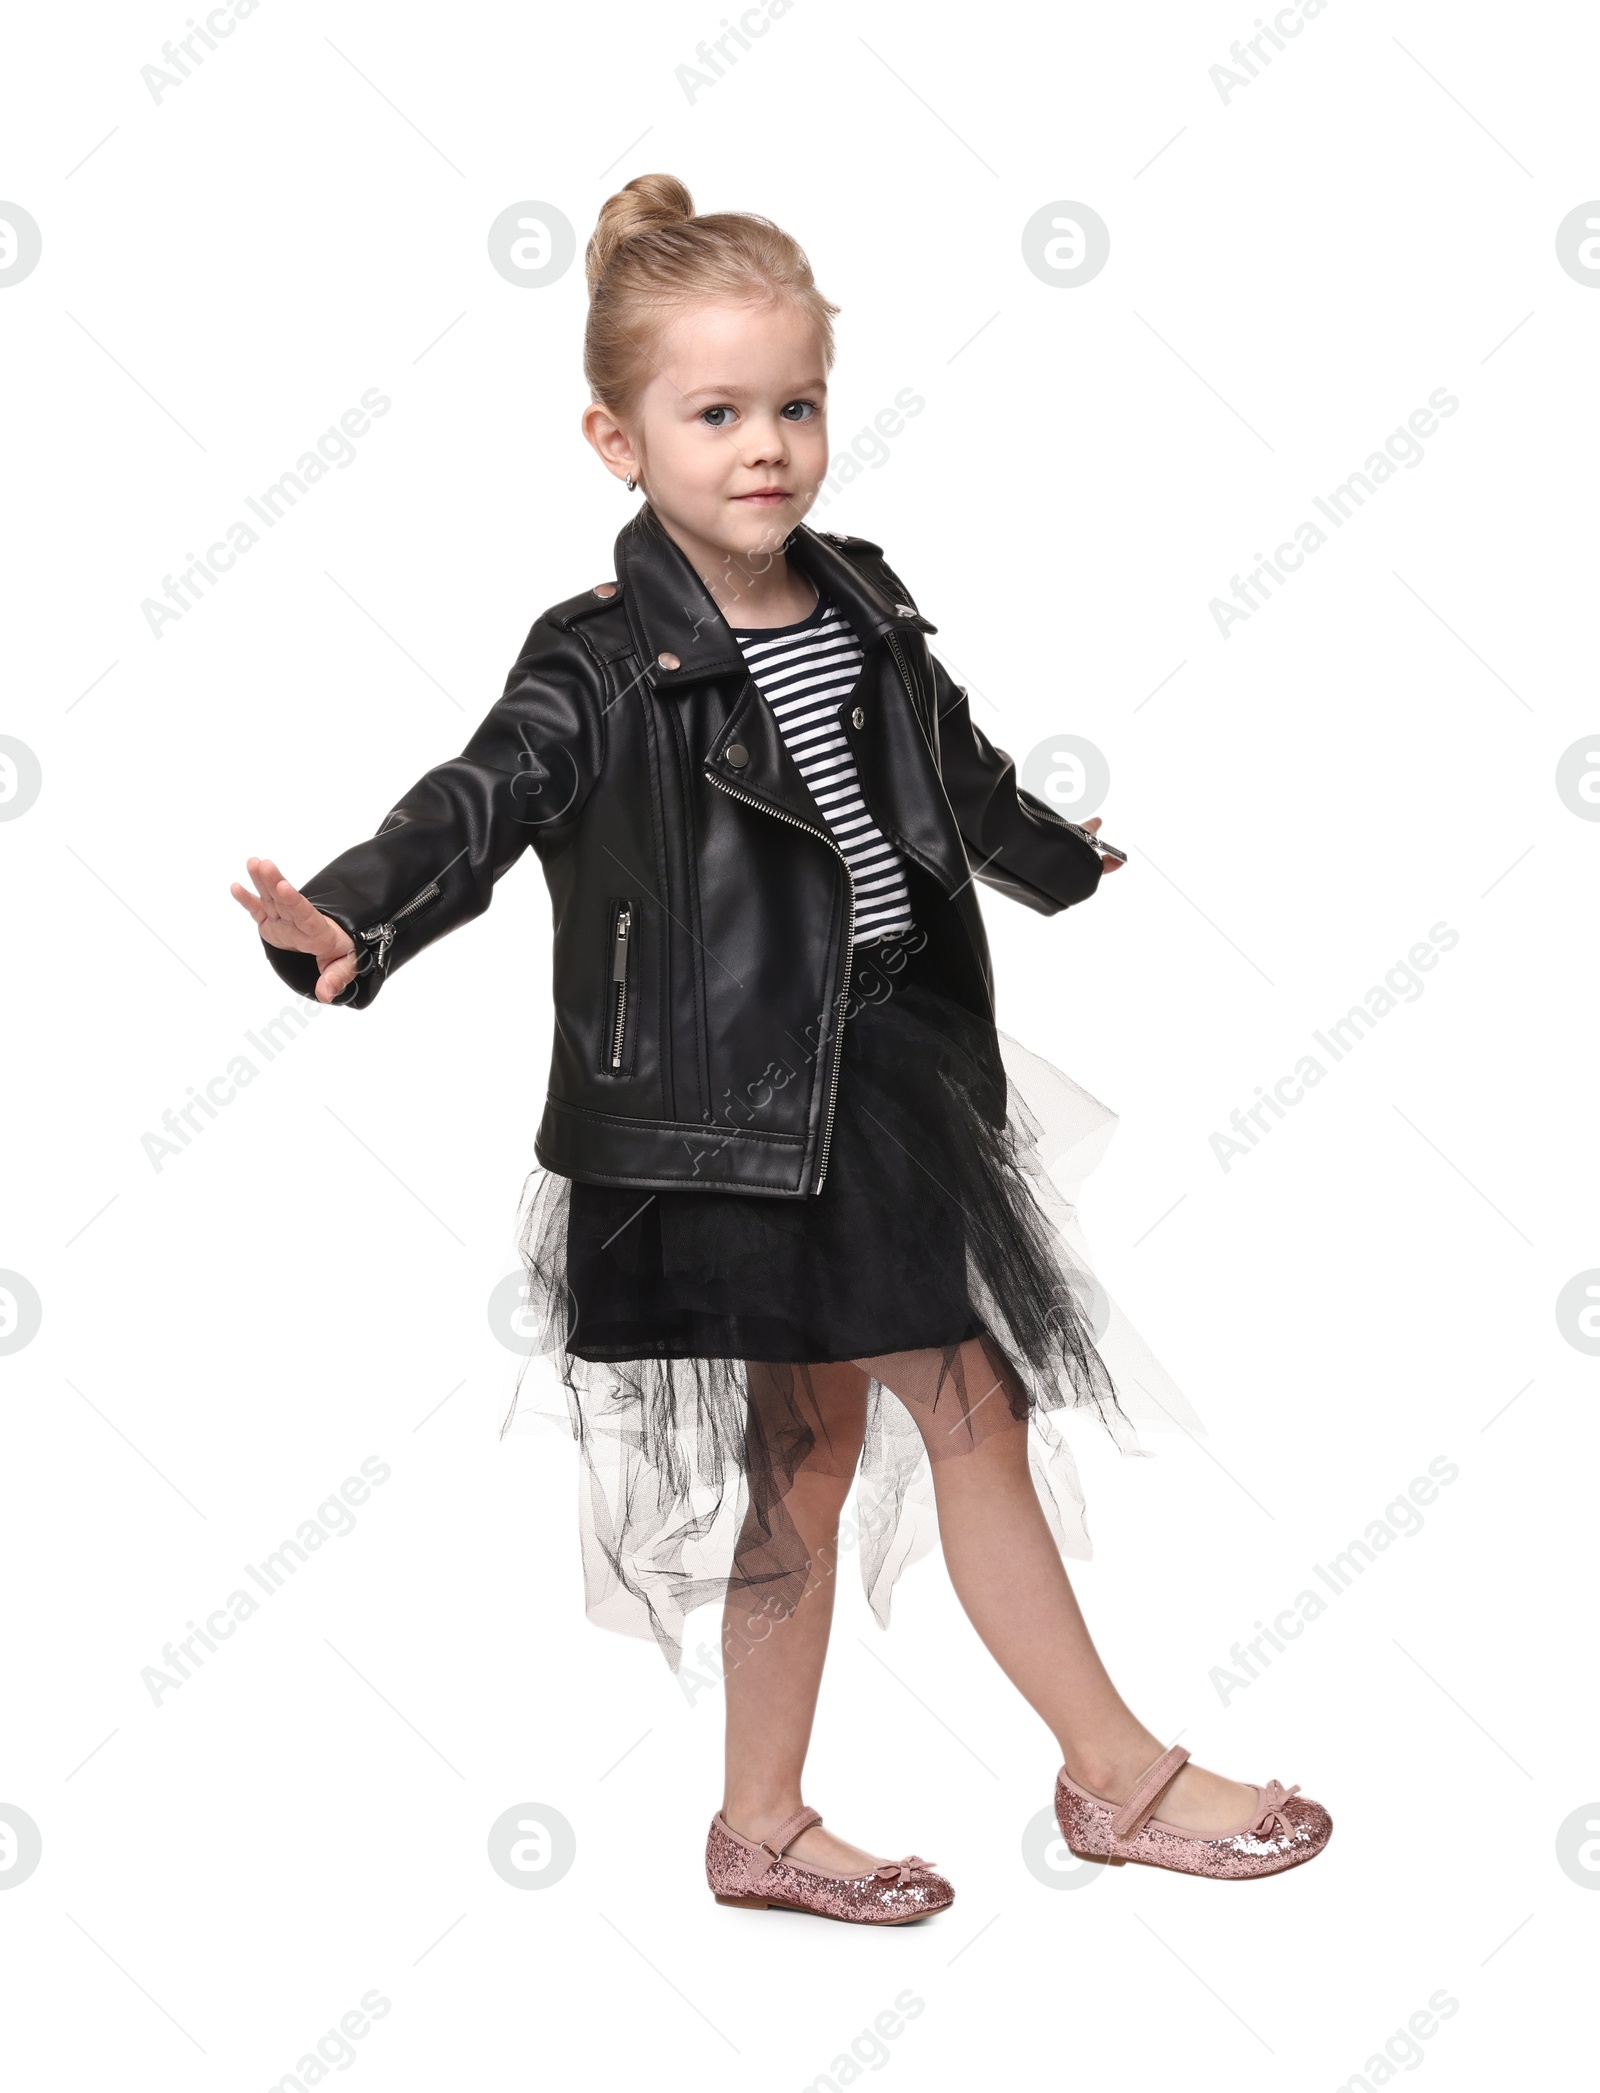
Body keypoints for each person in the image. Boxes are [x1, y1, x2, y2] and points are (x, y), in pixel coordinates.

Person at [231, 173, 1332, 1923]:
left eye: (796, 405)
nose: (767, 447)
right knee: (970, 1407)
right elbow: (486, 794)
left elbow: (948, 783)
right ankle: (1115, 1774)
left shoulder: (865, 600)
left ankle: (759, 1824)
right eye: (718, 412)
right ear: (618, 437)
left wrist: (1056, 854)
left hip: (883, 1080)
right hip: (729, 1111)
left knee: (806, 1456)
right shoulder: (598, 660)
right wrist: (356, 919)